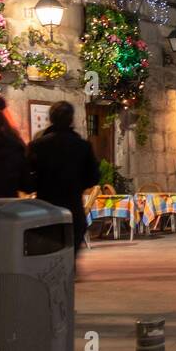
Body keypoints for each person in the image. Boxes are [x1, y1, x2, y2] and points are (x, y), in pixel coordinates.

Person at [26, 100, 100, 259]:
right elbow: (93, 177)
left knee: (48, 255)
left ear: (50, 119)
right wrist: (78, 184)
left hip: (46, 207)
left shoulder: (38, 146)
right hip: (73, 207)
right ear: (71, 119)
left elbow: (26, 180)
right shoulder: (82, 146)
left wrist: (39, 184)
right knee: (70, 254)